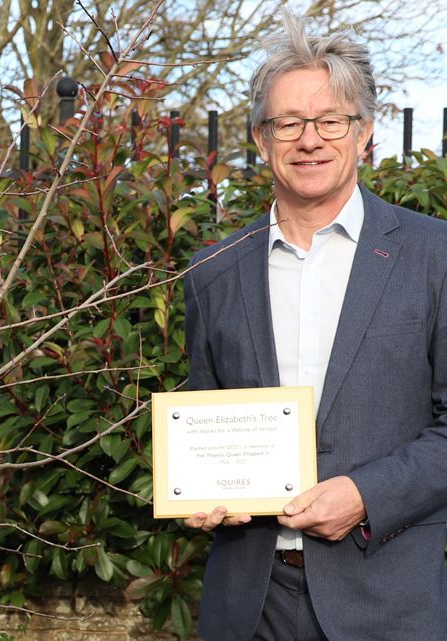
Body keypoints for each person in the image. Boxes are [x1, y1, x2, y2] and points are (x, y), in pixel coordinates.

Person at [182, 11, 447, 641]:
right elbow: (203, 408)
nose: (310, 140)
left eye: (331, 121)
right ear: (260, 137)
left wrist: (366, 493)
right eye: (288, 123)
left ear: (364, 134)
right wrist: (195, 488)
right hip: (249, 605)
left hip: (387, 599)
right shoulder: (213, 270)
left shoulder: (434, 256)